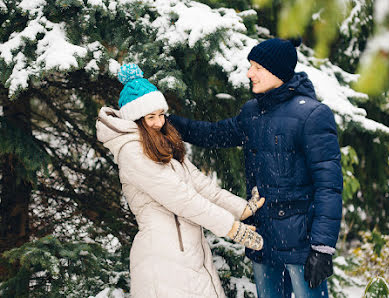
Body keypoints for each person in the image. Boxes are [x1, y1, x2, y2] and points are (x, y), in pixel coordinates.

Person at [168, 38, 343, 297]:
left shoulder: (313, 116)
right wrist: (167, 122)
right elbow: (214, 134)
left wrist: (322, 247)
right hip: (263, 237)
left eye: (257, 67)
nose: (249, 73)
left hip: (302, 243)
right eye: (250, 66)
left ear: (278, 71)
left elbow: (329, 187)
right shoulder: (253, 112)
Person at [96, 63, 266, 298]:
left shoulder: (161, 145)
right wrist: (232, 228)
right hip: (162, 259)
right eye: (150, 117)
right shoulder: (132, 152)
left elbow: (200, 185)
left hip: (188, 254)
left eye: (161, 115)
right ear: (136, 119)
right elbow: (182, 199)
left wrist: (242, 209)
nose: (158, 123)